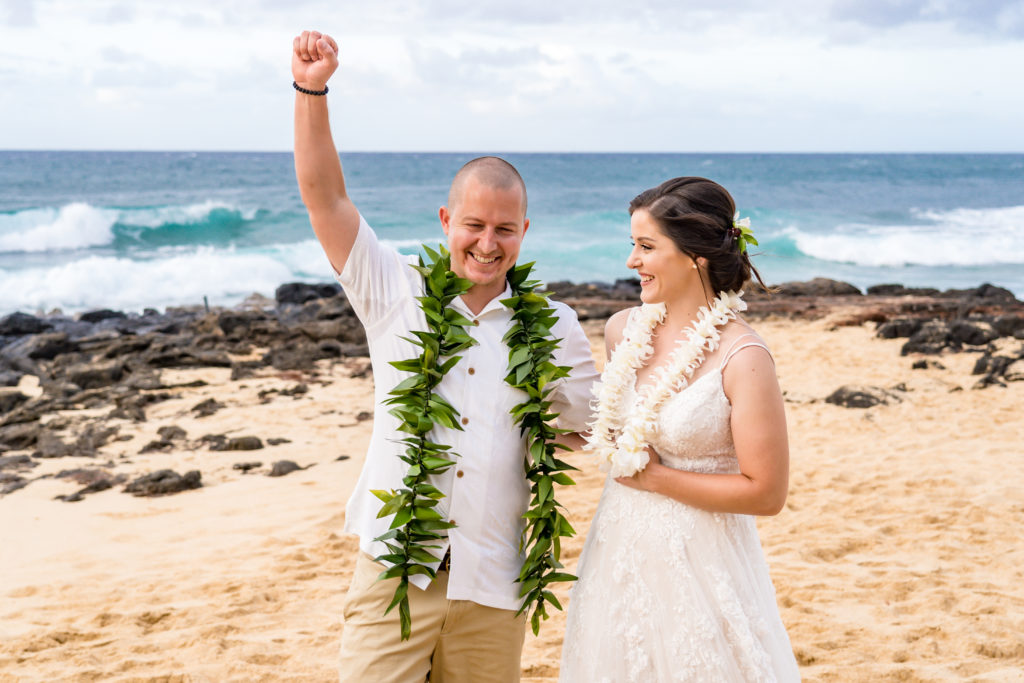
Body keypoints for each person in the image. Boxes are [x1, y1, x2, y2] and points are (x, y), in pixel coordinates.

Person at [292, 30, 599, 683]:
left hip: (494, 584)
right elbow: (326, 199)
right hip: (395, 571)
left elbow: (582, 426)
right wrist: (311, 91)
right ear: (445, 220)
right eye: (475, 225)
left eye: (504, 228)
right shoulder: (392, 291)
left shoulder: (557, 327)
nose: (488, 243)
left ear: (524, 232)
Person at [559, 177, 800, 682]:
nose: (632, 261)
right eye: (632, 245)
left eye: (647, 247)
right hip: (618, 550)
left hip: (704, 562)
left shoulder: (745, 357)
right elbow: (614, 429)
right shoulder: (623, 329)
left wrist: (655, 480)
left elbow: (767, 493)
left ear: (697, 258)